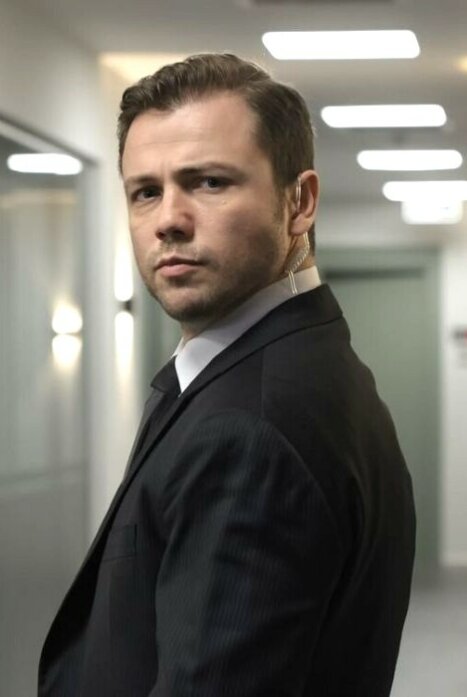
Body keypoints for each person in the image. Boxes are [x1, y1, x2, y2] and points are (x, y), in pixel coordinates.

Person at [38, 53, 415, 697]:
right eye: (146, 192)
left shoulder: (250, 430)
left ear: (300, 202)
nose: (168, 219)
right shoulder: (293, 366)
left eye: (209, 182)